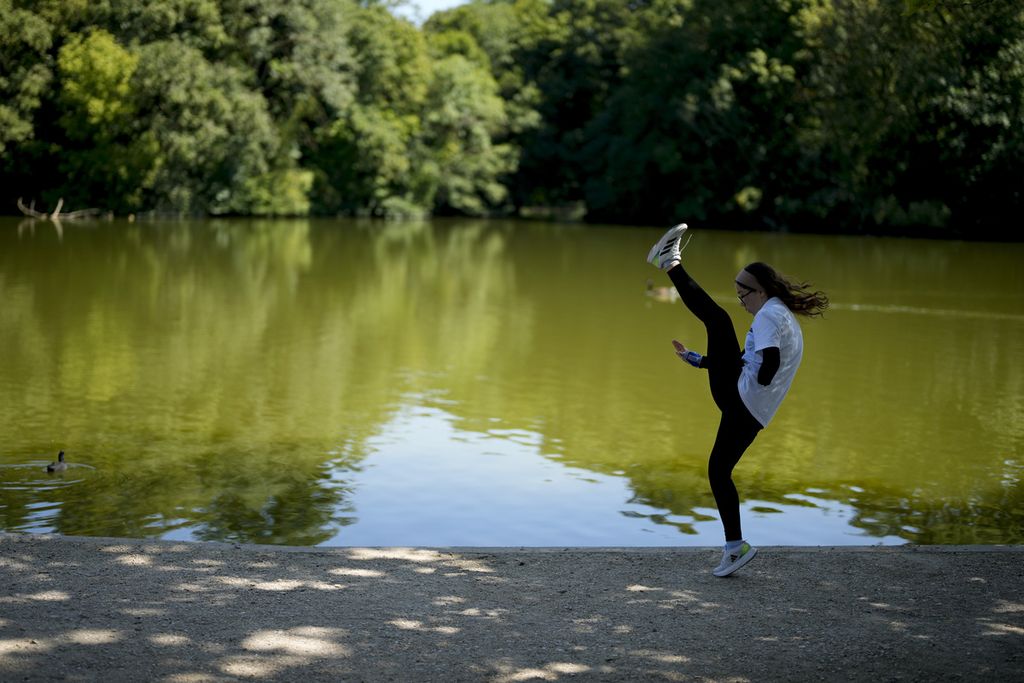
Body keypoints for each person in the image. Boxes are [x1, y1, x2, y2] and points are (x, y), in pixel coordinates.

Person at [646, 223, 828, 577]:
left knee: (718, 318)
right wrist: (702, 361)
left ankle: (670, 262)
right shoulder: (780, 315)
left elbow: (767, 364)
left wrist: (757, 379)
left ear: (758, 292)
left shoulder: (768, 317)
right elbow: (751, 360)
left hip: (742, 399)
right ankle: (735, 548)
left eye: (743, 294)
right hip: (751, 410)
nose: (742, 301)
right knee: (719, 471)